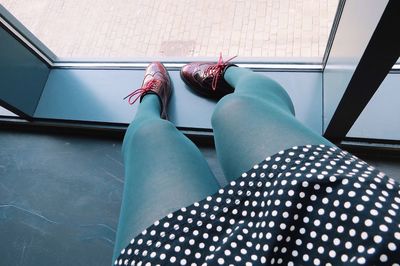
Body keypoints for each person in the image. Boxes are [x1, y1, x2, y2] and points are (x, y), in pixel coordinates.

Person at [113, 55, 400, 265]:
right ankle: (231, 73)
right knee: (236, 106)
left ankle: (151, 99)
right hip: (357, 235)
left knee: (150, 135)